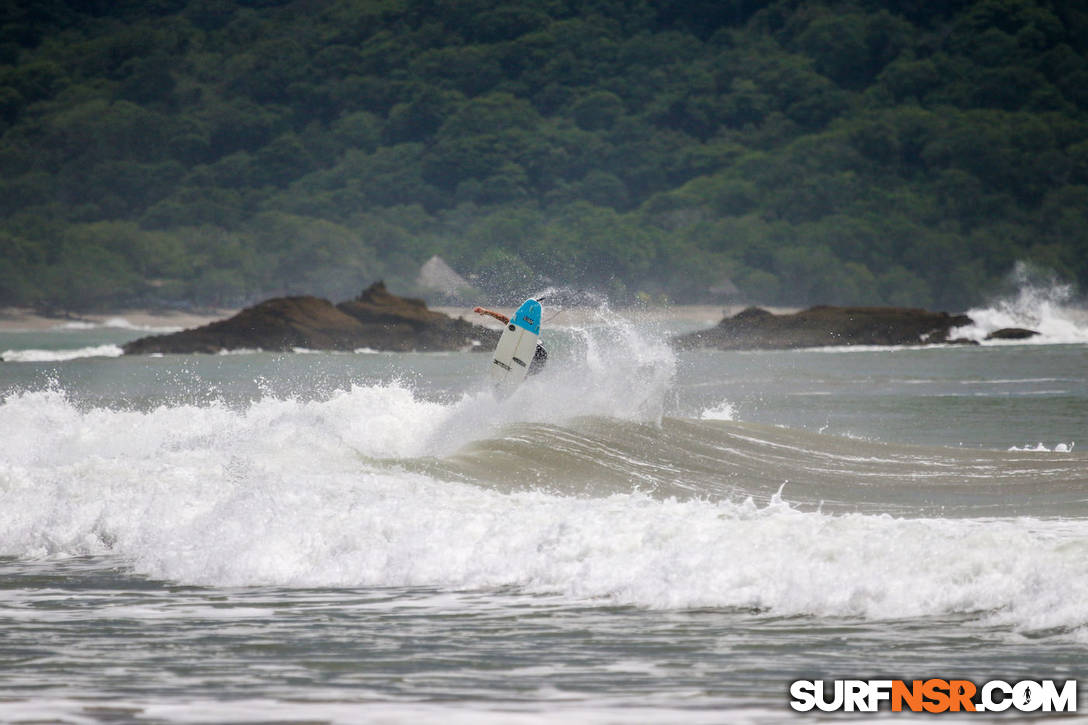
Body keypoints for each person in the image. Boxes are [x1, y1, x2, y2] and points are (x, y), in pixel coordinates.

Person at [474, 305, 548, 374]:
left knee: (523, 369)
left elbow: (503, 318)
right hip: (535, 366)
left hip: (539, 354)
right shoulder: (515, 339)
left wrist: (486, 312)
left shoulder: (516, 330)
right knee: (522, 372)